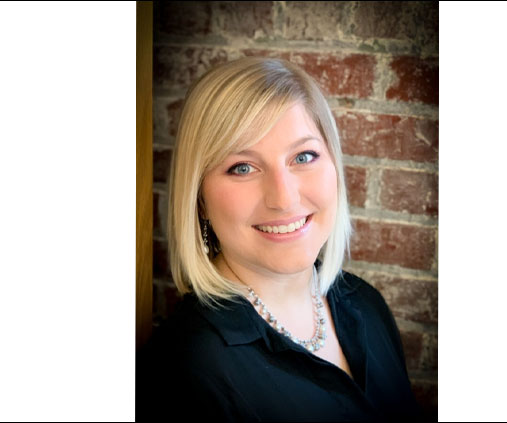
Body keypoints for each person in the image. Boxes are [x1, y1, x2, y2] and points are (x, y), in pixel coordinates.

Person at [140, 57, 421, 421]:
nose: (284, 198)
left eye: (304, 156)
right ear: (200, 200)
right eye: (242, 167)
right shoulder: (183, 371)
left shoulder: (366, 305)